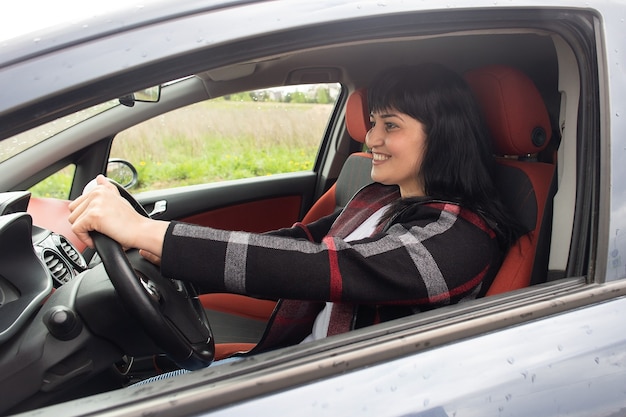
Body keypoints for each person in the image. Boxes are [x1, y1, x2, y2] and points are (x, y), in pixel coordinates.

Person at [68, 63, 522, 356]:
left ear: (442, 134)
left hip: (352, 387)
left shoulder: (459, 237)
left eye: (391, 126)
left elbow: (327, 267)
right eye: (372, 124)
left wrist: (151, 233)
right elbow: (300, 242)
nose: (371, 140)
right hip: (311, 353)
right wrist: (162, 255)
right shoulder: (382, 198)